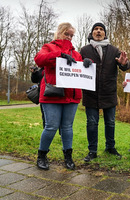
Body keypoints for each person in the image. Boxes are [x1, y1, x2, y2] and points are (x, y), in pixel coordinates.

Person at [34, 22, 84, 170]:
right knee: (51, 126)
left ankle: (68, 157)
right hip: (52, 94)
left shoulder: (76, 54)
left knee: (67, 127)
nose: (68, 37)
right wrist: (58, 55)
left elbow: (82, 69)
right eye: (66, 34)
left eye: (71, 35)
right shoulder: (48, 47)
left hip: (71, 95)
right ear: (59, 33)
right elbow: (39, 60)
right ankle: (42, 156)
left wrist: (88, 63)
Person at [80, 22, 130, 162]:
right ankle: (92, 151)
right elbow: (76, 65)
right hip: (91, 93)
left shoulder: (114, 50)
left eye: (101, 29)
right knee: (91, 123)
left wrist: (124, 63)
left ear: (105, 33)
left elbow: (125, 65)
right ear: (92, 33)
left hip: (109, 92)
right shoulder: (85, 50)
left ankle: (110, 147)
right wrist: (82, 61)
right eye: (95, 29)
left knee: (110, 122)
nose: (98, 31)